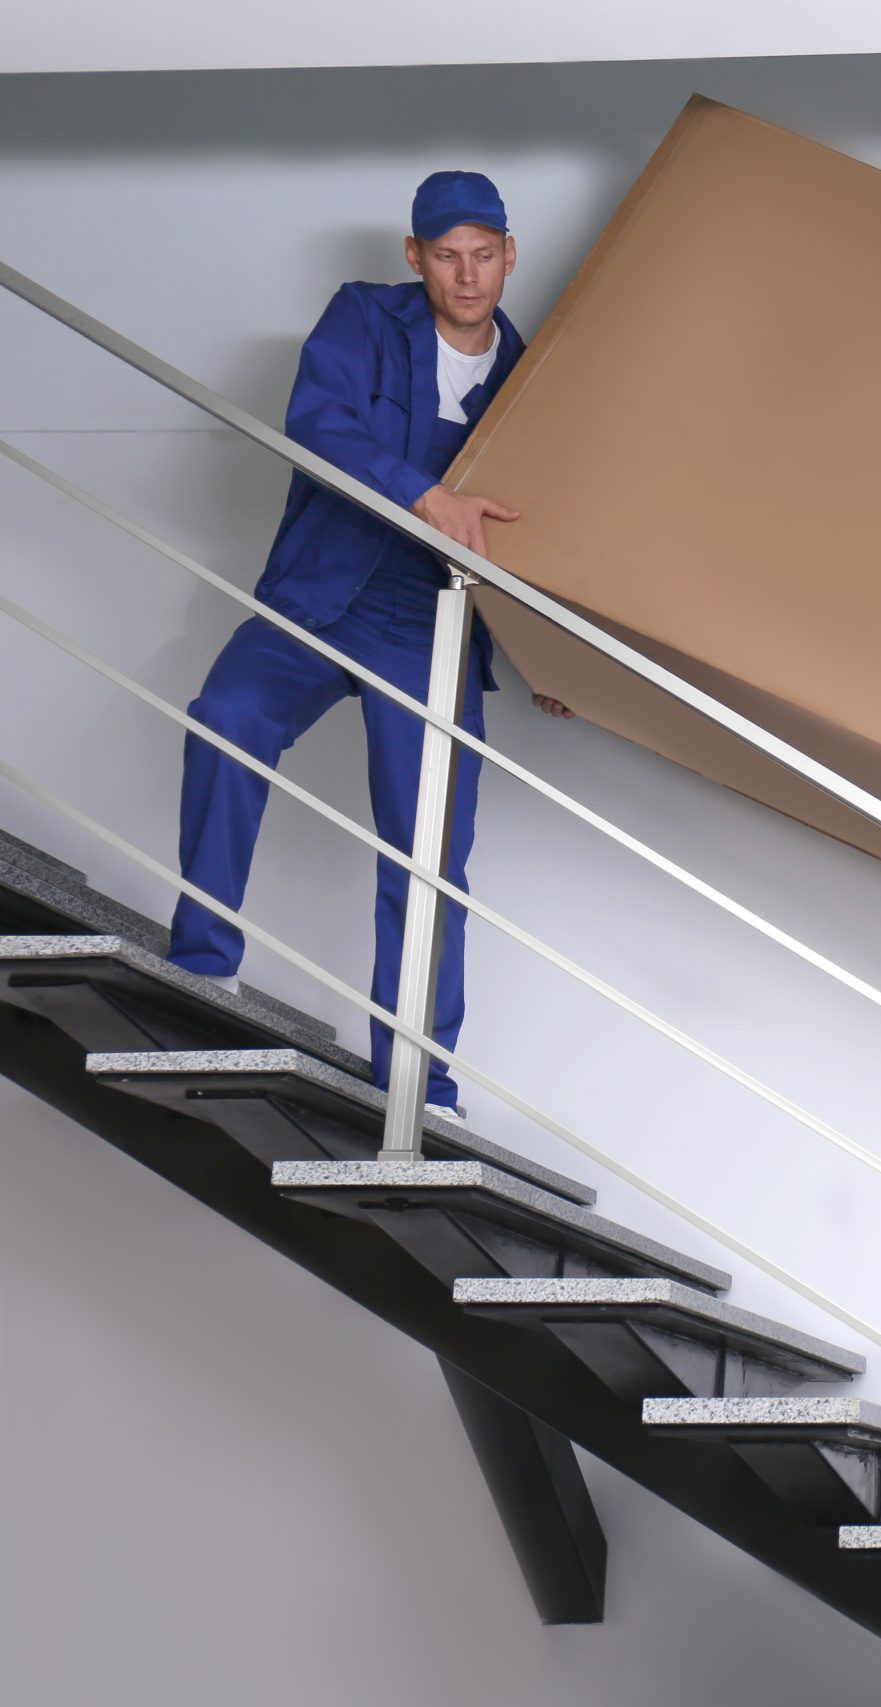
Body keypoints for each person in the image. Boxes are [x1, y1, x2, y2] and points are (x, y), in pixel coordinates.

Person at [167, 170, 567, 1115]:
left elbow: (558, 525)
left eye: (482, 255)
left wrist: (557, 657)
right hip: (322, 592)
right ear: (414, 258)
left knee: (427, 852)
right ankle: (200, 965)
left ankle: (418, 1076)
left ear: (510, 256)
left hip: (430, 626)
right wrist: (426, 494)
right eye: (444, 255)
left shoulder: (539, 378)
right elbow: (318, 422)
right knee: (226, 717)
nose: (466, 277)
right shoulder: (361, 319)